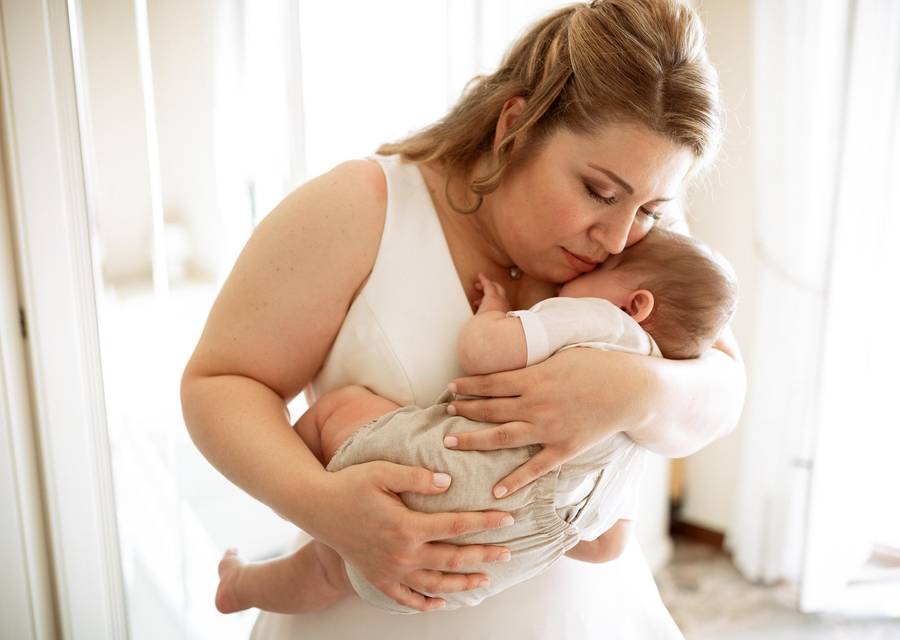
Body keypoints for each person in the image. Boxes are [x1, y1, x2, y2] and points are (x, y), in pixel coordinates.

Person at [180, 1, 746, 637]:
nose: (618, 237)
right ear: (516, 126)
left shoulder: (645, 242)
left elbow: (725, 390)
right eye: (598, 192)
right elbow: (221, 383)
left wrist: (638, 391)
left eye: (650, 208)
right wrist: (326, 510)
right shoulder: (360, 207)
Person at [212, 227, 738, 616]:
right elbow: (607, 545)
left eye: (596, 274)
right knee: (331, 571)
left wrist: (497, 313)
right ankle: (245, 585)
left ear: (636, 303)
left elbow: (483, 350)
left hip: (447, 477)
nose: (581, 275)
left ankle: (291, 530)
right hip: (499, 551)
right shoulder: (652, 391)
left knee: (338, 413)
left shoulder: (603, 320)